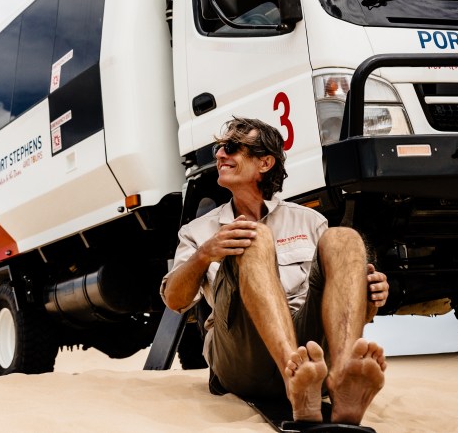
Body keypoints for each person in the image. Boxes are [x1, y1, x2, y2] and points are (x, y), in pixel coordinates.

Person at [161, 117, 389, 425]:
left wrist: (369, 297)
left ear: (265, 162)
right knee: (251, 236)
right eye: (218, 148)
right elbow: (175, 301)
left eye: (231, 148)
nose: (218, 155)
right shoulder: (199, 230)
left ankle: (342, 376)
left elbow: (337, 306)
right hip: (240, 355)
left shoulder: (310, 222)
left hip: (310, 349)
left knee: (345, 238)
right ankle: (294, 380)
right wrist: (205, 254)